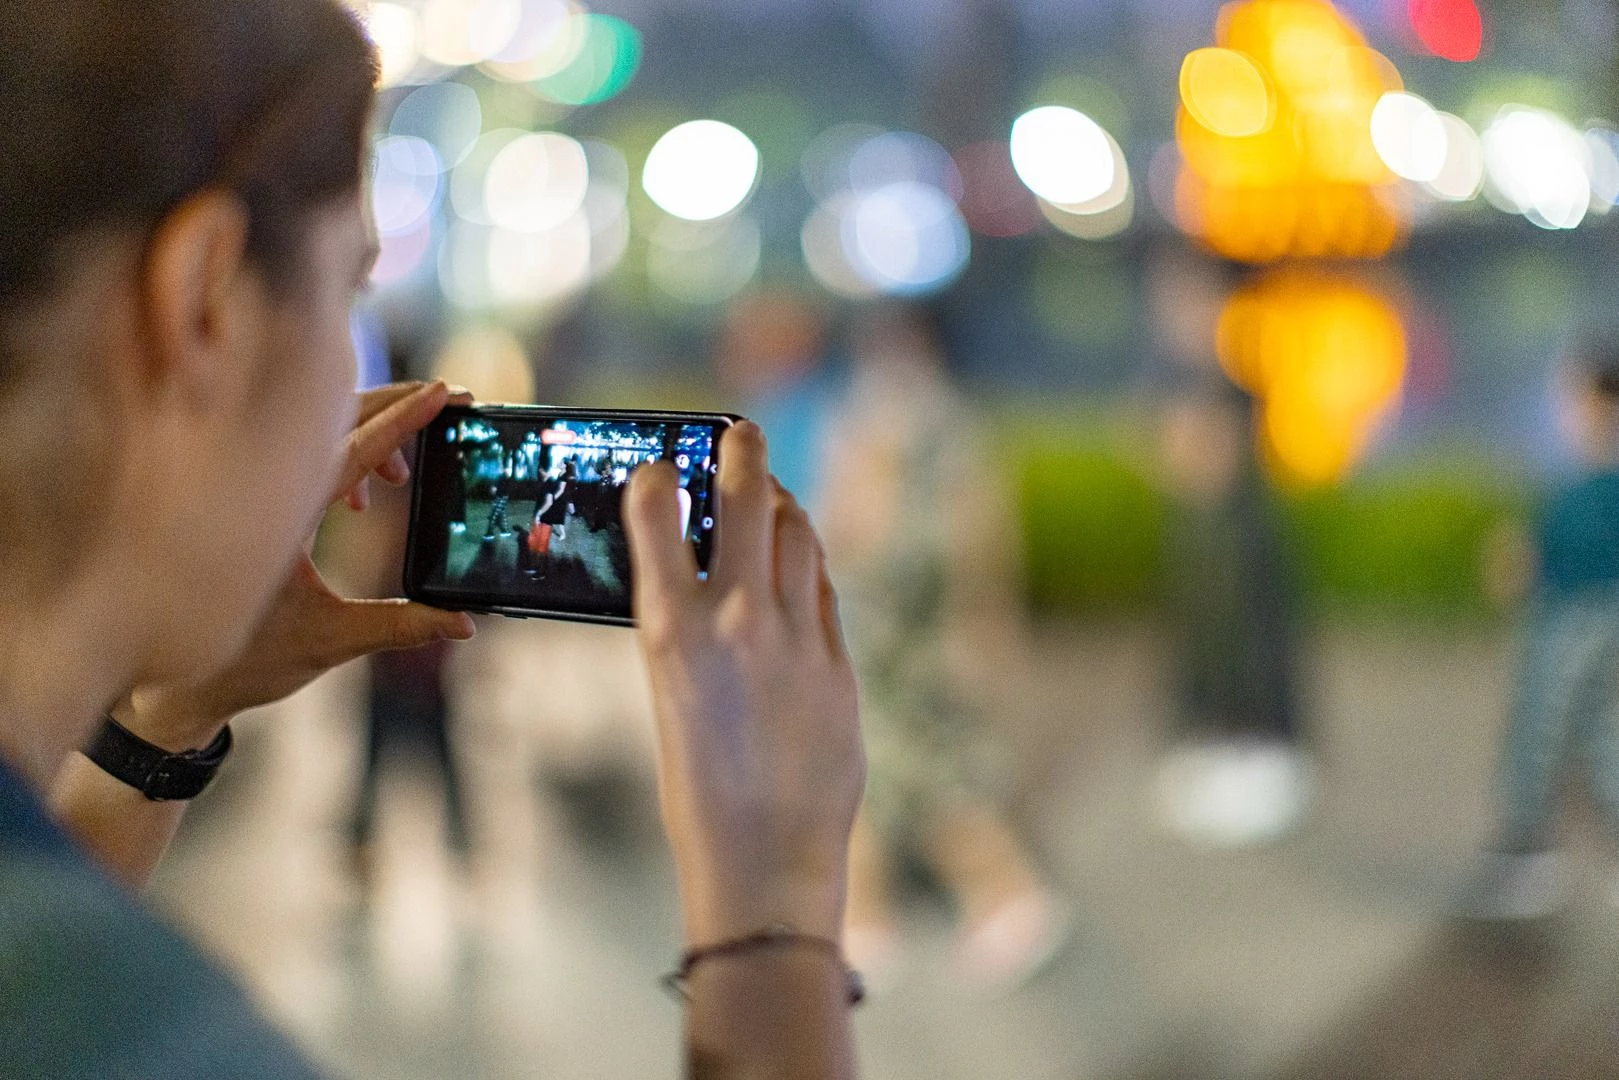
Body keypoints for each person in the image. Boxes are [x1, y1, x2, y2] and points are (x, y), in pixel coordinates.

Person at [0, 2, 865, 1078]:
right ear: (205, 299)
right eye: (349, 290)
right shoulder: (153, 1040)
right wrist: (772, 915)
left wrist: (160, 735)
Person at [1466, 336, 1619, 919]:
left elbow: (1568, 545)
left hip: (1579, 615)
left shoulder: (1599, 472)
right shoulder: (1588, 468)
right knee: (1597, 735)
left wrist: (1529, 558)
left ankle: (1526, 851)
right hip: (1588, 614)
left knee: (1540, 724)